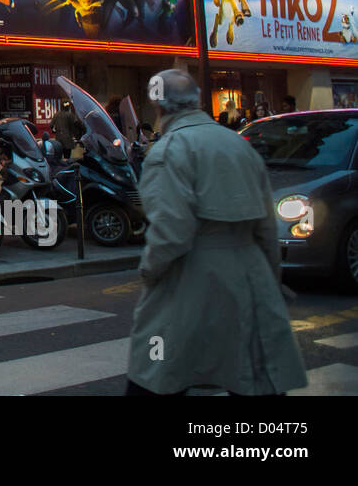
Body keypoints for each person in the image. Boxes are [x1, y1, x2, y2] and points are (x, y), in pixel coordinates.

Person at [125, 68, 306, 396]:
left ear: (161, 109)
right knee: (252, 375)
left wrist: (149, 272)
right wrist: (270, 276)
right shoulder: (238, 145)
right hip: (250, 274)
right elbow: (267, 226)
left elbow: (171, 232)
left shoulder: (168, 151)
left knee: (156, 370)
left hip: (191, 278)